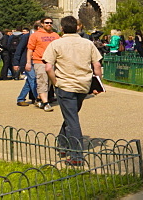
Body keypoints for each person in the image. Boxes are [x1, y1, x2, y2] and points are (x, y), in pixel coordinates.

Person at [42, 15, 102, 166]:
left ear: (61, 28)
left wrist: (55, 82)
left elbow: (48, 67)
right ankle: (62, 144)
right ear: (77, 27)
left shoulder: (56, 44)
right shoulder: (88, 44)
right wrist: (97, 83)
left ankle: (77, 156)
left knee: (72, 119)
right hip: (83, 85)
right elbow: (97, 65)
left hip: (65, 85)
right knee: (71, 115)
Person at [26, 17, 59, 111]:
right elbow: (30, 49)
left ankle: (39, 99)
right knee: (42, 81)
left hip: (52, 62)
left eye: (50, 23)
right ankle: (46, 103)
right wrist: (28, 62)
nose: (49, 24)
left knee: (49, 83)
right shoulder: (35, 35)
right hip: (40, 61)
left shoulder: (55, 35)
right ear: (42, 24)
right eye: (46, 22)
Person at [14, 24, 38, 106]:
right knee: (33, 79)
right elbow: (19, 49)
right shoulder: (26, 36)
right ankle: (38, 99)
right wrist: (16, 62)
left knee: (29, 81)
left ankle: (21, 98)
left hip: (36, 61)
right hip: (26, 61)